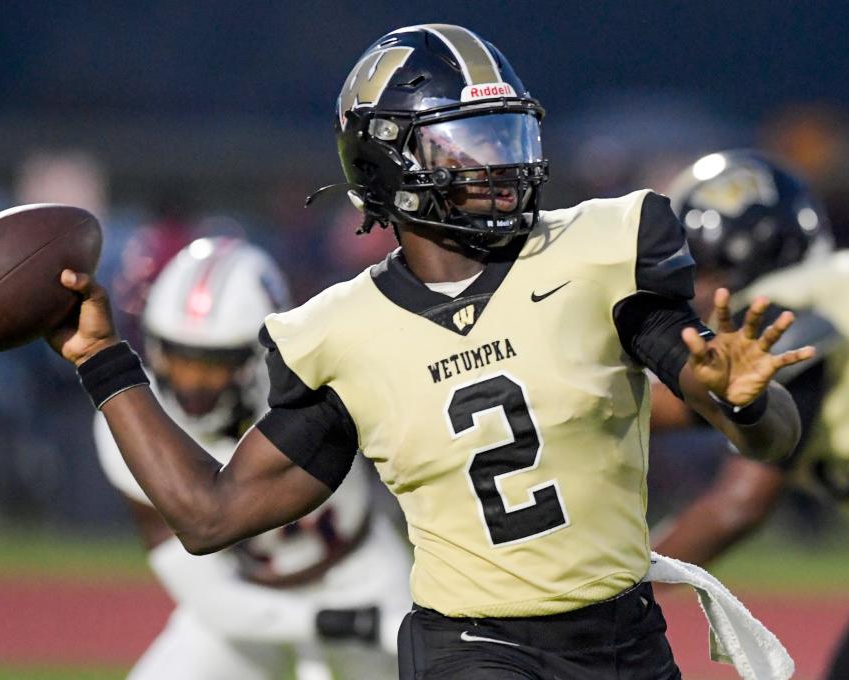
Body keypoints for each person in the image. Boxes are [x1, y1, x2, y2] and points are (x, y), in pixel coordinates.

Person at [48, 26, 813, 679]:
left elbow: (772, 436)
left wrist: (745, 402)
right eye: (470, 144)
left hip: (624, 640)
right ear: (387, 163)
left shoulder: (596, 256)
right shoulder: (343, 333)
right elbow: (209, 517)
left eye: (506, 136)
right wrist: (102, 357)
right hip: (472, 646)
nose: (499, 167)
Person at [94, 236, 409, 680]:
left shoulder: (315, 375)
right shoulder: (133, 423)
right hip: (246, 597)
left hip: (359, 572)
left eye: (212, 365)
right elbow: (206, 593)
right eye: (180, 360)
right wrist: (345, 623)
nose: (193, 386)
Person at [650, 149, 849, 679]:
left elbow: (739, 504)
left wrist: (619, 592)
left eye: (697, 264)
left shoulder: (789, 312)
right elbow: (683, 406)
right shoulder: (829, 290)